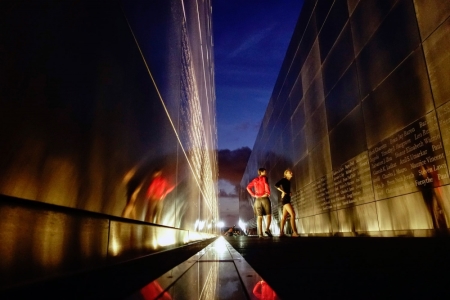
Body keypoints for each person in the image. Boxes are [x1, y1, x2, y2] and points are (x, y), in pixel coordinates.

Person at [247, 168, 273, 237]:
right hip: (264, 198)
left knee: (259, 217)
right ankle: (267, 229)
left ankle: (260, 234)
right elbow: (266, 184)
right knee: (268, 215)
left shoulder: (255, 180)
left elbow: (248, 187)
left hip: (257, 200)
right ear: (262, 172)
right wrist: (267, 193)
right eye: (265, 171)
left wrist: (254, 195)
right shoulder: (264, 178)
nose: (266, 172)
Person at [275, 169, 299, 237]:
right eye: (290, 172)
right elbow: (276, 185)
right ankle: (294, 232)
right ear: (286, 174)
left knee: (284, 217)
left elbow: (286, 189)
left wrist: (289, 193)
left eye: (291, 172)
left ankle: (281, 233)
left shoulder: (288, 181)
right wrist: (282, 192)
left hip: (287, 199)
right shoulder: (284, 179)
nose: (291, 173)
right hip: (285, 199)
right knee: (293, 214)